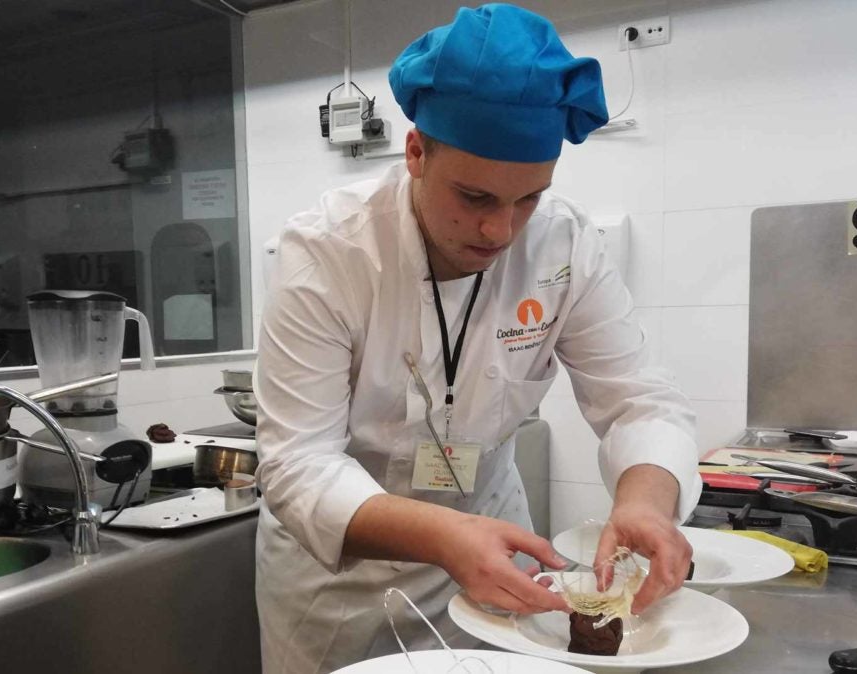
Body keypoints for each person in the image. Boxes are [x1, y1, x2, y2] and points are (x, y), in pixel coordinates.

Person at [253, 4, 701, 672]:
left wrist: (647, 502)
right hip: (336, 581)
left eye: (528, 199)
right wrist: (443, 535)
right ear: (415, 153)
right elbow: (296, 464)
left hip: (492, 561)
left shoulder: (563, 248)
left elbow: (639, 402)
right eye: (476, 198)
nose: (500, 231)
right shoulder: (328, 253)